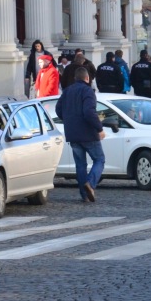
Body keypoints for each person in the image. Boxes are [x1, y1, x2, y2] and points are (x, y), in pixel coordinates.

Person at [55, 67, 105, 202]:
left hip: (72, 133)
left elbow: (58, 110)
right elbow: (89, 112)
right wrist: (99, 128)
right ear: (87, 78)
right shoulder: (87, 91)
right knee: (99, 159)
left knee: (80, 165)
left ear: (75, 78)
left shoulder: (67, 92)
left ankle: (85, 195)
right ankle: (91, 183)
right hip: (88, 133)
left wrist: (69, 119)